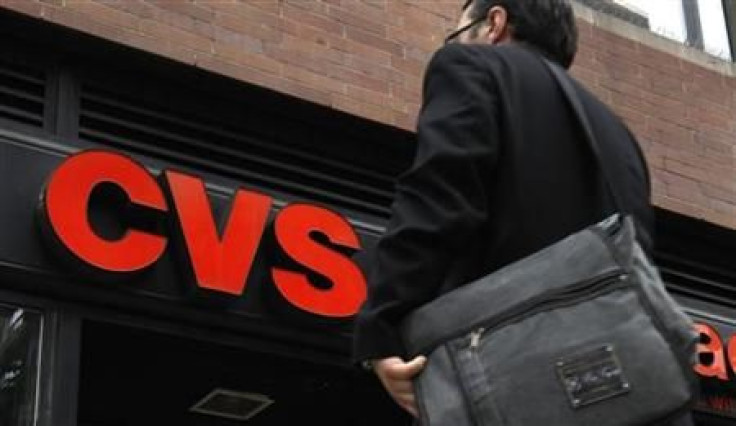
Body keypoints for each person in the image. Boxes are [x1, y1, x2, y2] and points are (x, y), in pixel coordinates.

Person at [353, 0, 693, 424]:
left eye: (457, 33)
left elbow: (439, 196)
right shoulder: (618, 134)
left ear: (494, 23)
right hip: (626, 384)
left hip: (515, 376)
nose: (455, 44)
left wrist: (381, 326)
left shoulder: (470, 67)